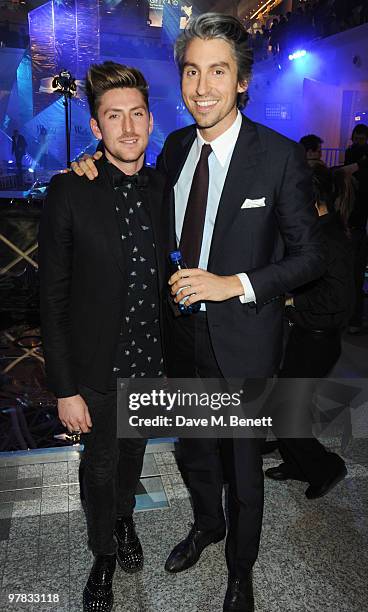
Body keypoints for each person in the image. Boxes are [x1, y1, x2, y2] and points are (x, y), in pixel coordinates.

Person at [71, 14, 326, 612]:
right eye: (192, 71)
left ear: (241, 81)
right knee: (193, 450)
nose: (202, 86)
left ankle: (242, 571)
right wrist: (87, 163)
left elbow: (312, 257)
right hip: (179, 339)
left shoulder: (281, 158)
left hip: (245, 340)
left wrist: (232, 284)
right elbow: (133, 191)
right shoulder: (179, 147)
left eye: (218, 71)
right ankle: (207, 525)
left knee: (243, 463)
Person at [39, 62, 166, 612]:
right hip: (98, 368)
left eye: (137, 114)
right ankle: (102, 555)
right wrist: (64, 388)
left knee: (133, 457)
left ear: (151, 120)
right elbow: (52, 298)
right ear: (95, 127)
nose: (129, 127)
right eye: (114, 117)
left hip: (155, 363)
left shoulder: (168, 187)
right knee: (99, 466)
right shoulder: (71, 189)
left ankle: (123, 522)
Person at [265, 164, 353, 498]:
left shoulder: (328, 238)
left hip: (318, 340)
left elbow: (340, 299)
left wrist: (291, 303)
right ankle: (296, 463)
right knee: (290, 407)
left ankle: (325, 467)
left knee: (283, 409)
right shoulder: (320, 230)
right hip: (309, 336)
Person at [344, 123, 368, 333]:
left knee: (355, 275)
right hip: (353, 223)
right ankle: (352, 319)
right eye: (356, 138)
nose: (358, 142)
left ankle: (354, 319)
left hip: (358, 225)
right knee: (353, 275)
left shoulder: (360, 162)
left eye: (362, 139)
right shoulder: (352, 155)